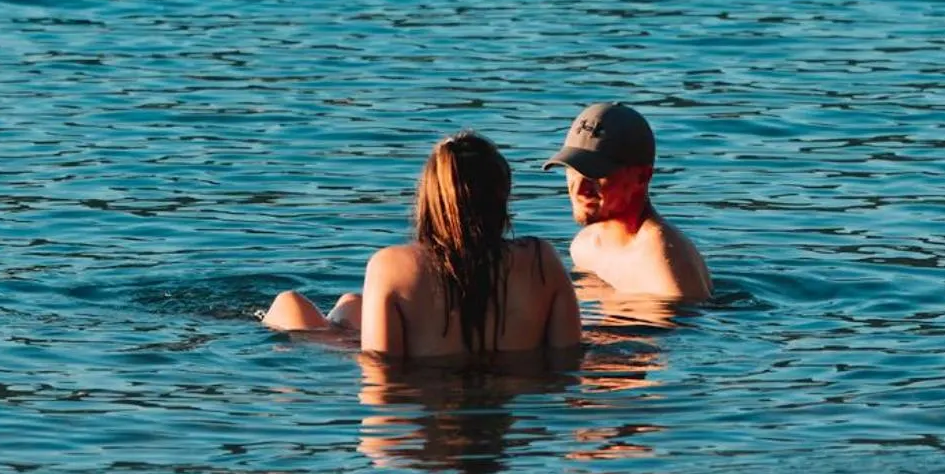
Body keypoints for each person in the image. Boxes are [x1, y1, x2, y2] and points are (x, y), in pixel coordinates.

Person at [263, 132, 583, 362]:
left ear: (429, 199)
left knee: (288, 303)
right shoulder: (542, 262)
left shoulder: (392, 267)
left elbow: (383, 371)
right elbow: (567, 359)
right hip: (513, 416)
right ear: (501, 195)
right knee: (351, 303)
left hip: (426, 402)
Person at [544, 101, 712, 302]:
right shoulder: (585, 247)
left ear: (642, 177)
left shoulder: (660, 256)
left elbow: (686, 329)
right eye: (572, 169)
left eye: (596, 173)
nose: (579, 189)